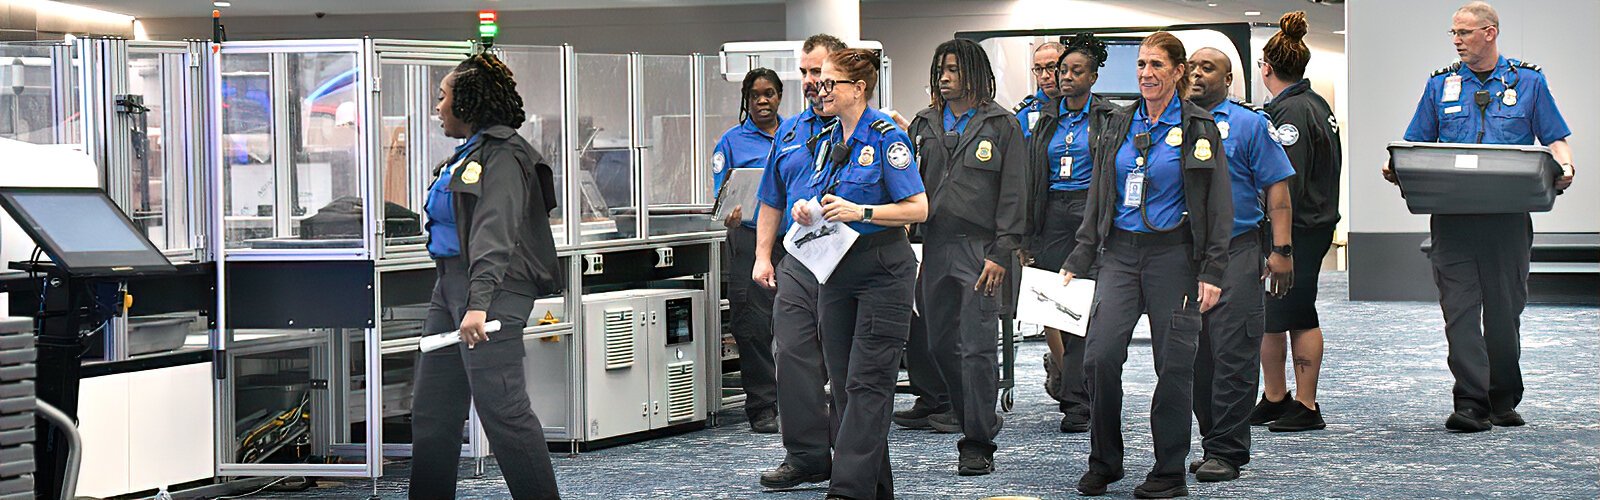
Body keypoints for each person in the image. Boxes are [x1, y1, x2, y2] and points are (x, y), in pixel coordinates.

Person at [1385, 1, 1574, 432]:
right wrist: (1393, 164)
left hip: (1507, 217)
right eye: (1453, 34)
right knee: (1460, 311)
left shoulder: (1528, 82)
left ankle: (1502, 397)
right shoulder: (1440, 86)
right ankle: (1469, 401)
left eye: (1464, 33)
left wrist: (1567, 165)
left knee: (1505, 311)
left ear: (1490, 33)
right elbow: (1415, 143)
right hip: (1452, 219)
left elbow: (1556, 138)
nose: (1456, 41)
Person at [1059, 32, 1232, 498]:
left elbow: (1219, 206)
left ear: (1178, 72)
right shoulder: (1119, 121)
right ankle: (1105, 461)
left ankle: (1169, 471)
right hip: (1119, 253)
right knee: (1097, 358)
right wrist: (1081, 251)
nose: (1146, 74)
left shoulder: (1199, 127)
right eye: (1140, 65)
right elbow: (1100, 191)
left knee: (1173, 365)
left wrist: (1212, 271)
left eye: (1157, 65)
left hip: (1174, 257)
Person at [410, 52, 562, 500]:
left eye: (443, 97)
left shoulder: (504, 155)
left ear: (468, 103)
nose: (437, 107)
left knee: (504, 412)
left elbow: (495, 235)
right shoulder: (467, 154)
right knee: (433, 413)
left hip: (494, 290)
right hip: (451, 287)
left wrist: (478, 304)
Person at [794, 48, 928, 500]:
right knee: (846, 388)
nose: (820, 88)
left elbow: (919, 207)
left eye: (830, 82)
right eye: (818, 81)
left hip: (883, 269)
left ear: (859, 88)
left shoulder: (887, 137)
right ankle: (875, 490)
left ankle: (845, 491)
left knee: (868, 384)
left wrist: (863, 209)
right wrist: (807, 210)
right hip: (837, 269)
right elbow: (826, 197)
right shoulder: (831, 139)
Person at [902, 38, 1028, 476]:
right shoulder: (922, 123)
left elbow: (1015, 195)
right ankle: (974, 413)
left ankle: (976, 441)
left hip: (982, 252)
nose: (944, 76)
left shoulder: (1002, 125)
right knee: (937, 343)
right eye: (940, 69)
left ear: (975, 73)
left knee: (977, 349)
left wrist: (1001, 251)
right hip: (934, 246)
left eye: (953, 69)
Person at [1184, 46, 1296, 482]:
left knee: (1234, 352)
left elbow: (1278, 194)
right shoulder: (1171, 125)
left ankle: (1227, 450)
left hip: (1236, 250)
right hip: (1184, 255)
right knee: (1194, 357)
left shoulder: (1249, 125)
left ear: (1228, 79)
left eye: (1207, 68)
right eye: (1191, 66)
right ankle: (1213, 439)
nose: (1196, 73)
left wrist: (1282, 252)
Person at [753, 33, 848, 489]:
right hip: (798, 261)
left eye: (819, 72)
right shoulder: (789, 131)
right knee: (790, 353)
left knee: (846, 363)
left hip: (848, 262)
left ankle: (851, 455)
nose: (811, 82)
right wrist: (762, 256)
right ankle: (807, 455)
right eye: (806, 72)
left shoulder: (864, 126)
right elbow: (771, 197)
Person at [1249, 11, 1342, 433]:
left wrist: (1279, 242)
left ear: (1266, 68)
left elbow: (1288, 183)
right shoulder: (1316, 103)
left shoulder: (1289, 115)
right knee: (1272, 314)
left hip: (1298, 230)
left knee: (1300, 311)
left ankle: (1306, 404)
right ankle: (1274, 396)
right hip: (1308, 224)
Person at [1027, 32, 1118, 434]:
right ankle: (1071, 385)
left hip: (1090, 211)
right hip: (1051, 214)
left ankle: (1078, 400)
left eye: (1075, 71)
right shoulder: (1045, 116)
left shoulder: (1110, 117)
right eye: (1062, 70)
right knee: (1055, 306)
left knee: (1086, 307)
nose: (1065, 77)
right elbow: (1031, 176)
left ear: (1093, 77)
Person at [713, 67, 784, 433]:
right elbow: (721, 199)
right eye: (755, 95)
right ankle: (762, 406)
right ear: (746, 99)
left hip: (793, 243)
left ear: (779, 96)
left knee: (799, 322)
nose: (762, 100)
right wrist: (730, 213)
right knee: (752, 326)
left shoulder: (795, 134)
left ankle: (798, 398)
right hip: (748, 239)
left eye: (769, 93)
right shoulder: (731, 141)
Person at [1016, 41, 1065, 138]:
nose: (1044, 76)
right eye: (1038, 69)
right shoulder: (1023, 114)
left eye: (1051, 67)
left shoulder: (1085, 108)